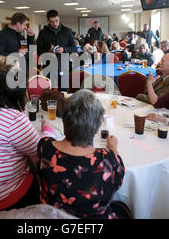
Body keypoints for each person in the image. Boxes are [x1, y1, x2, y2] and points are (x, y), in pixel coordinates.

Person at [0, 71, 55, 211]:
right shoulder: (14, 119)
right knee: (43, 176)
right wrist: (46, 131)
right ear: (20, 95)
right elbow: (40, 150)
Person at [37, 90, 128, 219]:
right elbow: (117, 182)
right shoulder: (108, 160)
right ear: (96, 127)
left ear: (64, 119)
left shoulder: (44, 147)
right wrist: (113, 148)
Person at [37, 10, 76, 90]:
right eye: (52, 22)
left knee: (63, 90)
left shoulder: (67, 31)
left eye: (56, 21)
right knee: (47, 92)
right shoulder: (42, 33)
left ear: (59, 18)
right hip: (48, 66)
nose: (55, 24)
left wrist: (64, 49)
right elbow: (39, 51)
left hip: (64, 65)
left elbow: (74, 47)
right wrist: (48, 51)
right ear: (48, 21)